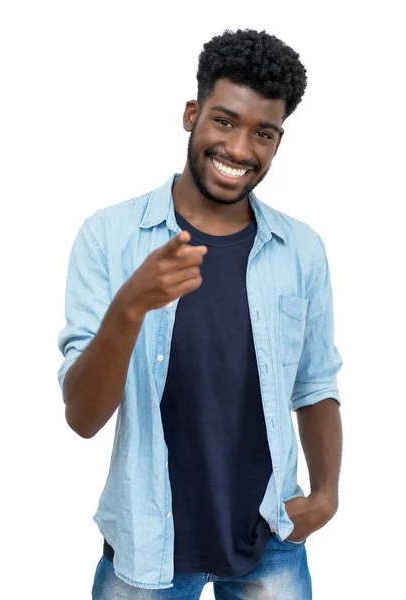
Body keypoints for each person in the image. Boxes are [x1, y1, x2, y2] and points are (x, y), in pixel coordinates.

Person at [57, 28, 343, 600]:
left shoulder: (301, 249)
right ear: (192, 115)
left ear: (278, 140)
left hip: (271, 541)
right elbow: (82, 418)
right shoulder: (110, 238)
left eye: (263, 133)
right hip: (146, 544)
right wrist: (130, 306)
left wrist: (327, 494)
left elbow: (315, 384)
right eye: (224, 121)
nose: (240, 149)